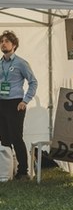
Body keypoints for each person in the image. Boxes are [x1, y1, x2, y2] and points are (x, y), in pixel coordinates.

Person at [0, 30, 38, 180]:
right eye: (2, 41)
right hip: (1, 103)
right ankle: (7, 170)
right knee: (4, 138)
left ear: (14, 45)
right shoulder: (0, 63)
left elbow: (33, 82)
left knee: (16, 137)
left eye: (7, 41)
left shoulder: (21, 63)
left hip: (15, 104)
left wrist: (25, 100)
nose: (3, 43)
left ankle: (23, 171)